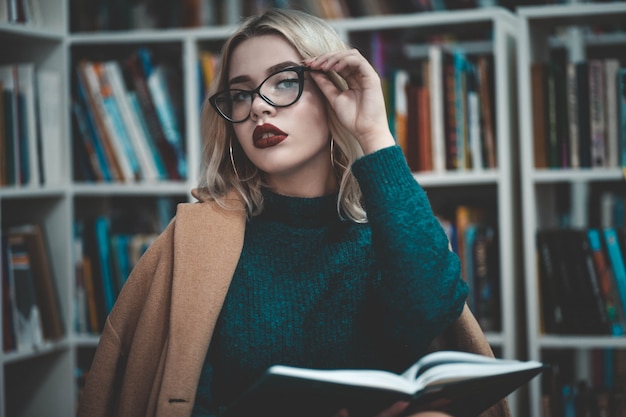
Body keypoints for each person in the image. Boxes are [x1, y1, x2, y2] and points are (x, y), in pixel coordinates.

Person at [77, 8, 509, 417]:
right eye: (241, 93)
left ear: (334, 90)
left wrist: (374, 132)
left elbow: (432, 310)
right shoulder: (199, 244)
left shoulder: (386, 236)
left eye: (284, 81)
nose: (260, 107)